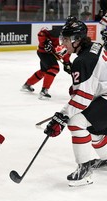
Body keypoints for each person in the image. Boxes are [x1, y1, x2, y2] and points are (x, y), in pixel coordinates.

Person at [44, 20, 107, 187]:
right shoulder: (93, 46)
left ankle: (85, 171)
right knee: (92, 125)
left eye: (65, 39)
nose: (62, 43)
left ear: (77, 40)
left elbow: (82, 98)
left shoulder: (83, 61)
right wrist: (70, 67)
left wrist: (62, 116)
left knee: (76, 122)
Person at [21, 26, 71, 99]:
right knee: (54, 68)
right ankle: (44, 91)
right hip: (44, 53)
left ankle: (27, 85)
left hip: (49, 54)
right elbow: (42, 33)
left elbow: (65, 53)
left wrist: (67, 63)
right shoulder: (57, 32)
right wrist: (45, 42)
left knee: (44, 71)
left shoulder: (68, 41)